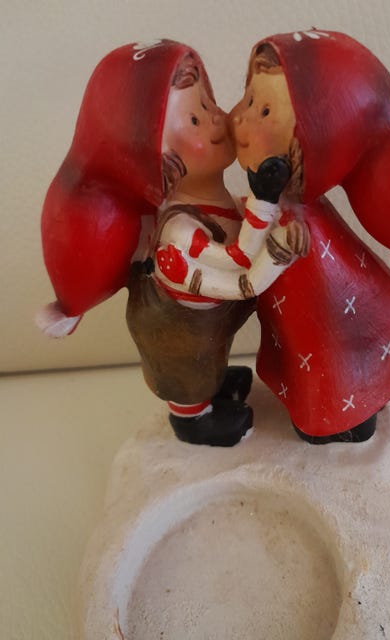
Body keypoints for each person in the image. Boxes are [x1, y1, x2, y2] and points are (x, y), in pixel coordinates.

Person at [37, 40, 305, 446]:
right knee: (187, 371)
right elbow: (241, 264)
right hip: (180, 327)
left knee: (209, 358)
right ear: (157, 157)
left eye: (209, 103)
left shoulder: (218, 204)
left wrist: (269, 205)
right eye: (195, 119)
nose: (217, 119)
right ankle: (193, 420)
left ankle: (213, 386)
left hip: (214, 321)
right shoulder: (179, 234)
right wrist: (275, 231)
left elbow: (242, 224)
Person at [230, 30, 390, 443]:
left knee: (334, 339)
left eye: (265, 110)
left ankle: (351, 402)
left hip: (325, 288)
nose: (240, 116)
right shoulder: (272, 209)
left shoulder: (306, 213)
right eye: (250, 99)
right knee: (315, 346)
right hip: (299, 296)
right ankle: (327, 411)